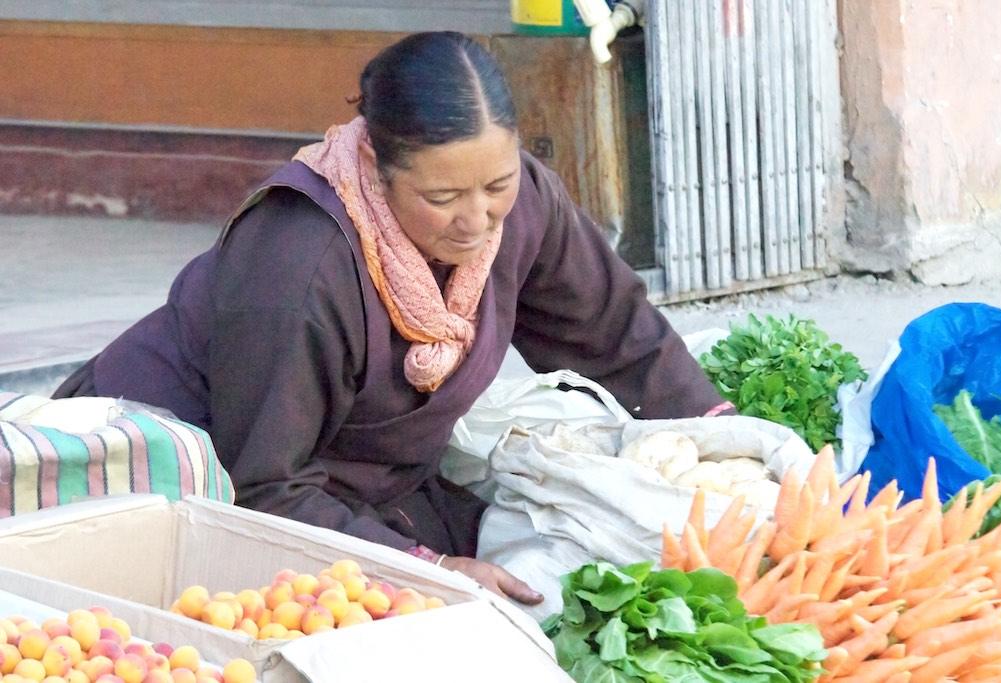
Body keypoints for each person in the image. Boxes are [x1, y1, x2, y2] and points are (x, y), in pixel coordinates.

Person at [54, 31, 732, 605]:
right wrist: (429, 569)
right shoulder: (299, 261)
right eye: (443, 196)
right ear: (375, 166)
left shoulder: (522, 202)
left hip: (366, 485)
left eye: (496, 185)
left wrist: (730, 449)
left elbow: (615, 334)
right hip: (178, 484)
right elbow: (260, 483)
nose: (477, 220)